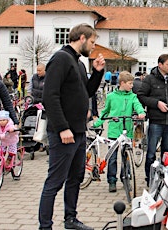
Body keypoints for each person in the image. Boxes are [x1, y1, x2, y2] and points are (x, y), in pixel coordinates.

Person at [39, 23, 105, 230]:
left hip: (78, 131)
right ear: (82, 38)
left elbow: (86, 93)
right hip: (64, 133)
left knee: (75, 178)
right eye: (93, 42)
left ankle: (70, 219)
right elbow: (49, 96)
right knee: (55, 182)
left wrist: (97, 73)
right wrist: (61, 128)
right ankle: (45, 226)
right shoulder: (60, 59)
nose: (94, 47)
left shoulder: (79, 63)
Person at [137, 54, 168, 185]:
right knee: (151, 153)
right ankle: (150, 179)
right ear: (160, 65)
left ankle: (164, 180)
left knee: (166, 153)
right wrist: (156, 103)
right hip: (155, 121)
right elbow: (141, 96)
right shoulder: (149, 80)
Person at [92, 71, 145, 192]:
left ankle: (126, 177)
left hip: (127, 130)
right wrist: (98, 123)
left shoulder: (132, 96)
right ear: (122, 83)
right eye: (130, 83)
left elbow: (137, 106)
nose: (132, 86)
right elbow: (105, 111)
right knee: (113, 158)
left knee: (126, 156)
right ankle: (112, 180)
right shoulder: (111, 96)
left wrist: (141, 112)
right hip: (114, 131)